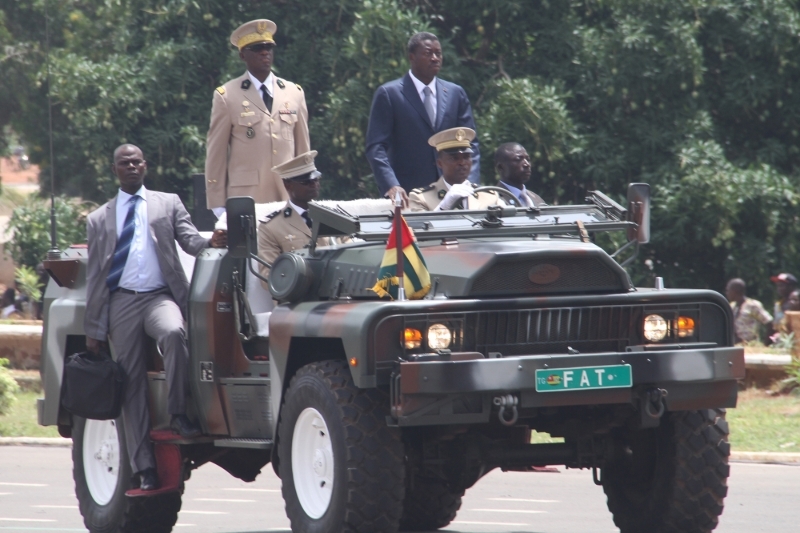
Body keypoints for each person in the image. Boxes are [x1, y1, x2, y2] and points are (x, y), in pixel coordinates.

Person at [84, 144, 227, 491]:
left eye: (136, 161)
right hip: (121, 302)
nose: (131, 166)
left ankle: (179, 415)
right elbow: (95, 277)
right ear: (115, 169)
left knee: (176, 333)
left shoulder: (168, 202)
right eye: (124, 163)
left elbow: (191, 242)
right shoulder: (99, 218)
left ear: (145, 166)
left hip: (159, 296)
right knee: (130, 383)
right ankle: (144, 466)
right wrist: (94, 329)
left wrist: (214, 240)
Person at [205, 19, 310, 218]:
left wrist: (306, 193)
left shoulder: (293, 92)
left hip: (288, 195)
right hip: (247, 197)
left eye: (269, 47)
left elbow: (303, 151)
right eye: (257, 48)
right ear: (242, 54)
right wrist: (217, 204)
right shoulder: (227, 95)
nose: (265, 52)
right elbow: (216, 154)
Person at [366, 31, 480, 207]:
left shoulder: (455, 93)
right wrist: (391, 184)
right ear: (412, 57)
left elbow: (471, 143)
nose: (435, 58)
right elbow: (376, 147)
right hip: (409, 195)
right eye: (428, 53)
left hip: (454, 192)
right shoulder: (390, 94)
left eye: (438, 53)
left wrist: (470, 184)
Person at [257, 151, 334, 288]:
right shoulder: (271, 227)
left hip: (336, 296)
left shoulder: (332, 218)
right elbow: (267, 276)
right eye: (306, 182)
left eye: (316, 179)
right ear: (288, 185)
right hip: (297, 303)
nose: (314, 184)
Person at [409, 128, 501, 212]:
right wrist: (444, 207)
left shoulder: (489, 196)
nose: (462, 162)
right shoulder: (421, 198)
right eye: (454, 158)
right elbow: (421, 228)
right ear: (440, 163)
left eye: (466, 157)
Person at [494, 142, 547, 208]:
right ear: (501, 167)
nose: (527, 164)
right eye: (518, 159)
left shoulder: (537, 200)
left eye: (528, 159)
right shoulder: (492, 199)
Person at [725, 278, 772, 343]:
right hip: (735, 346)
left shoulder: (752, 305)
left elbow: (769, 323)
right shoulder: (732, 306)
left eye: (728, 290)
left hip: (750, 345)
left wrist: (766, 343)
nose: (727, 293)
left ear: (736, 290)